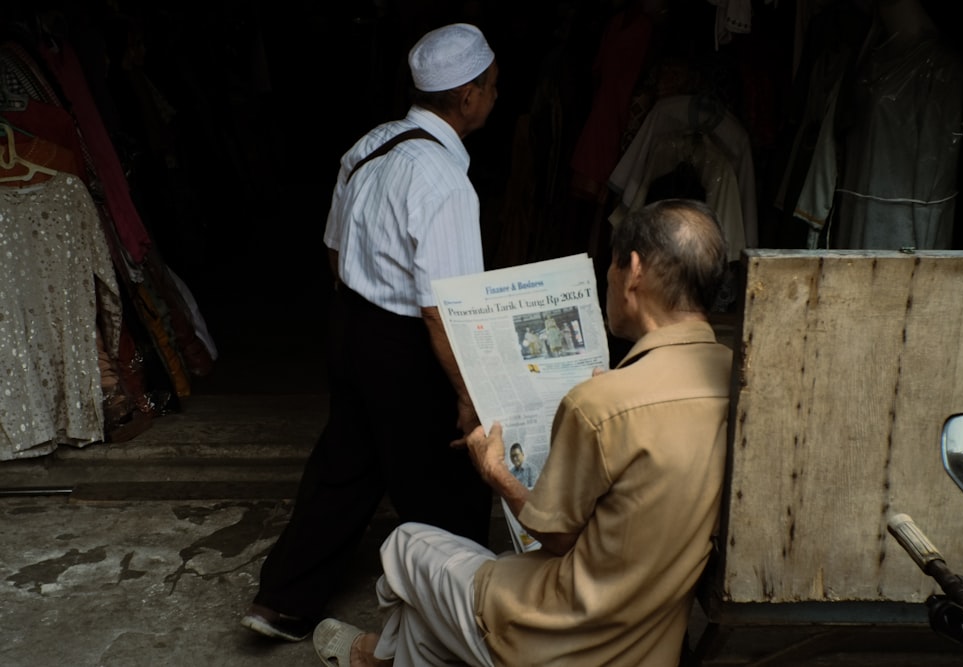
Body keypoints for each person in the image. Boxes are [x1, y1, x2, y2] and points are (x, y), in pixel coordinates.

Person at [313, 198, 733, 666]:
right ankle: (385, 658)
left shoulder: (603, 404)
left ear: (632, 270)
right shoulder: (740, 383)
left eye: (611, 268)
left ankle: (378, 655)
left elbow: (554, 539)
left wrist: (497, 473)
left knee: (405, 545)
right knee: (426, 626)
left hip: (560, 636)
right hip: (649, 642)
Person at [240, 23, 500, 642]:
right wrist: (468, 396)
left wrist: (360, 315)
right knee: (449, 486)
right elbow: (444, 308)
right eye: (492, 88)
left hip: (352, 323)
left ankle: (282, 602)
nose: (495, 98)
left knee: (347, 463)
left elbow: (334, 249)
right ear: (467, 97)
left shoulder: (371, 145)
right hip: (407, 344)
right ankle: (466, 616)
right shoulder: (444, 182)